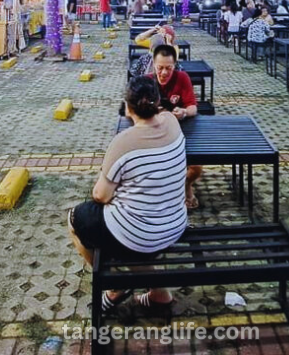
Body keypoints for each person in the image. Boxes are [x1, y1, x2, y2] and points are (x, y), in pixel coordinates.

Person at [69, 76, 187, 311]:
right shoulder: (172, 122)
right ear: (157, 103)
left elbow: (100, 196)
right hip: (175, 225)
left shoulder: (122, 142)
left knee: (75, 219)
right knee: (133, 225)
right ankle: (159, 294)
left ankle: (115, 285)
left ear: (128, 107)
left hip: (142, 234)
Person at [148, 44, 202, 209]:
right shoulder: (147, 81)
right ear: (153, 65)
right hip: (154, 132)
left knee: (196, 166)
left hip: (181, 130)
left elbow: (193, 108)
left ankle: (185, 185)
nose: (164, 73)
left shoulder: (182, 78)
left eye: (168, 68)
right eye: (160, 68)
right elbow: (130, 110)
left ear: (175, 66)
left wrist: (184, 112)